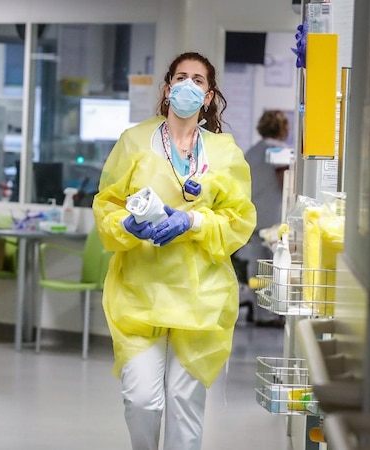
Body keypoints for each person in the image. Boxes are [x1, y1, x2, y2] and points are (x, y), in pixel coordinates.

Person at [92, 52, 256, 450]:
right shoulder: (134, 141)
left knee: (185, 405)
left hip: (199, 298)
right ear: (167, 88)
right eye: (180, 77)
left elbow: (239, 222)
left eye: (197, 80)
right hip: (139, 294)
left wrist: (192, 222)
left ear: (209, 95)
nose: (187, 85)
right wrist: (126, 226)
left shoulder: (224, 152)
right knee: (142, 400)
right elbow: (106, 204)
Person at [235, 110, 291, 327]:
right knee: (274, 267)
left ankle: (261, 314)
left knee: (257, 267)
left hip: (255, 215)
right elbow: (284, 181)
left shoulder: (252, 151)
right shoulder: (279, 150)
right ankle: (273, 316)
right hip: (275, 217)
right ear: (284, 128)